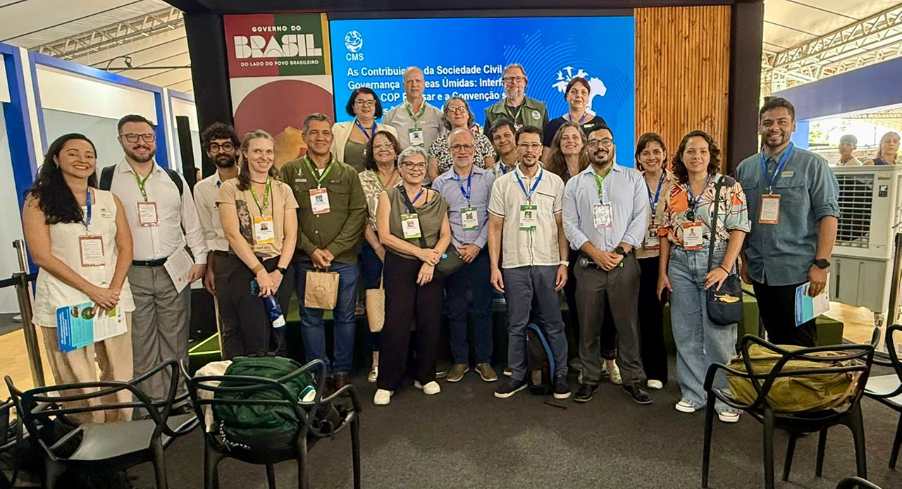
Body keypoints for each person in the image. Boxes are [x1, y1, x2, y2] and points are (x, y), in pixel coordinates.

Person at [24, 134, 135, 422]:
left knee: (118, 374)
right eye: (73, 153)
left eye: (89, 154)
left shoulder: (109, 200)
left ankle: (121, 439)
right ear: (56, 159)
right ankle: (87, 445)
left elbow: (125, 247)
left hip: (112, 299)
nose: (82, 160)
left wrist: (112, 289)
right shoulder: (39, 202)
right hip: (67, 302)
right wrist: (91, 290)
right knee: (79, 380)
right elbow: (42, 256)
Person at [105, 114, 206, 403]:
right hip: (129, 272)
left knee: (175, 338)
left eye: (147, 136)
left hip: (172, 268)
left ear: (155, 140)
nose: (141, 142)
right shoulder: (107, 178)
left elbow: (192, 221)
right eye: (132, 137)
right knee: (140, 341)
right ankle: (149, 404)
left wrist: (199, 258)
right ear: (121, 140)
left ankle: (179, 398)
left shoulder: (172, 179)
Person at [657, 130, 749, 423]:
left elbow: (740, 228)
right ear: (681, 157)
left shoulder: (728, 187)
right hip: (681, 264)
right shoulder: (674, 191)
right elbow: (664, 234)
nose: (696, 156)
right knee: (685, 332)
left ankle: (725, 398)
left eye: (702, 151)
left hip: (717, 260)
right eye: (690, 152)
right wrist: (662, 273)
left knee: (719, 333)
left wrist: (726, 267)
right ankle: (694, 393)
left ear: (711, 156)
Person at [736, 97, 839, 347]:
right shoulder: (745, 169)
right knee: (774, 339)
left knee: (800, 343)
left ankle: (801, 385)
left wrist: (821, 264)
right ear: (759, 127)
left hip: (800, 273)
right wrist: (745, 261)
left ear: (793, 125)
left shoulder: (813, 165)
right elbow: (739, 220)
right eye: (768, 123)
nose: (774, 128)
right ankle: (781, 386)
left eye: (782, 122)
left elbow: (828, 215)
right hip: (761, 271)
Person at [562, 125, 652, 405]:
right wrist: (594, 252)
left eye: (606, 141)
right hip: (589, 265)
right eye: (594, 142)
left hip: (623, 265)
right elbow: (569, 225)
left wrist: (621, 250)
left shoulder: (633, 178)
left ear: (614, 146)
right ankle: (589, 378)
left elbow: (641, 217)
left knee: (628, 325)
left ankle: (633, 379)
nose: (600, 146)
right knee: (588, 326)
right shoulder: (575, 184)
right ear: (586, 148)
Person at [281, 113, 366, 391]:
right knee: (311, 319)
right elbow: (286, 216)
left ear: (332, 137)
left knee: (345, 317)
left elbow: (358, 214)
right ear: (304, 137)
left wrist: (332, 249)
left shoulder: (347, 173)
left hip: (343, 260)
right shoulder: (290, 172)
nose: (320, 137)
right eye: (314, 132)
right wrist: (311, 249)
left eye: (326, 133)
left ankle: (341, 370)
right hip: (307, 261)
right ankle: (319, 370)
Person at [488, 126, 570, 400]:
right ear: (517, 148)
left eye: (535, 145)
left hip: (548, 263)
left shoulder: (555, 183)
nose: (530, 150)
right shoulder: (502, 184)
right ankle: (517, 374)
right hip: (514, 264)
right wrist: (494, 267)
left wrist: (563, 263)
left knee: (553, 322)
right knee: (516, 323)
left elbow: (561, 227)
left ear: (541, 149)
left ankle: (560, 374)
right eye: (524, 145)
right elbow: (495, 228)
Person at [374, 146, 452, 405]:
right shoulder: (388, 196)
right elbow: (384, 236)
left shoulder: (437, 198)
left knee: (430, 322)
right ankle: (387, 382)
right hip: (400, 264)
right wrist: (421, 255)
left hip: (431, 266)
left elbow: (446, 235)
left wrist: (432, 259)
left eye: (420, 165)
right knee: (396, 324)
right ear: (400, 168)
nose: (416, 169)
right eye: (409, 164)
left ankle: (426, 376)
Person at [546, 122, 620, 383]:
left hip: (603, 245)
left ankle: (609, 358)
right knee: (580, 307)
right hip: (571, 249)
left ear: (585, 143)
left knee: (608, 306)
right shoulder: (552, 174)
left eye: (575, 137)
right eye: (564, 137)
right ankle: (587, 359)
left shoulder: (602, 170)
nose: (570, 141)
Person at [216, 130, 298, 359]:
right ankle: (258, 387)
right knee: (255, 334)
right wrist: (260, 272)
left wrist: (279, 271)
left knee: (278, 330)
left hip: (279, 266)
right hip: (245, 267)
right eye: (258, 151)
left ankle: (281, 385)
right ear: (245, 154)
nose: (264, 156)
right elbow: (232, 234)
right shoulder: (230, 188)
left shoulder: (283, 189)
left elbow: (291, 235)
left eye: (269, 151)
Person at [432, 128, 497, 383]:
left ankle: (484, 360)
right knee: (455, 309)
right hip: (453, 251)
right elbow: (439, 220)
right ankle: (460, 361)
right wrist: (458, 246)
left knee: (484, 308)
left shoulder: (488, 178)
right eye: (456, 147)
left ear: (475, 149)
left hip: (480, 251)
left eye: (467, 146)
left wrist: (478, 245)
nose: (462, 151)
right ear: (449, 152)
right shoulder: (440, 183)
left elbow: (493, 217)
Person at [359, 130, 402, 382]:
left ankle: (403, 357)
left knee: (403, 304)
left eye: (388, 145)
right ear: (371, 152)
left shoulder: (408, 173)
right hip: (373, 247)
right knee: (376, 304)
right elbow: (360, 217)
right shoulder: (362, 178)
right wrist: (377, 247)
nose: (383, 149)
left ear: (397, 149)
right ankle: (376, 360)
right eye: (377, 146)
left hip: (405, 246)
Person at [634, 132, 675, 389]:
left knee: (668, 314)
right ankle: (654, 373)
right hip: (638, 256)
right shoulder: (631, 183)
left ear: (664, 155)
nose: (652, 157)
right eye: (646, 152)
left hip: (670, 257)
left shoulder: (677, 183)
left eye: (656, 152)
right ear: (638, 157)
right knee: (646, 315)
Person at [194, 123, 241, 343]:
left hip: (255, 257)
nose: (221, 151)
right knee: (230, 324)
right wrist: (209, 269)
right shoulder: (202, 188)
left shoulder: (254, 181)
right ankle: (235, 373)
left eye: (226, 146)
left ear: (237, 150)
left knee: (261, 320)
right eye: (215, 147)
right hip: (223, 260)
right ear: (208, 152)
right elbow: (208, 233)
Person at [331, 87, 399, 173]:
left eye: (370, 102)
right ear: (353, 107)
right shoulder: (339, 129)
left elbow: (396, 162)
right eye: (360, 102)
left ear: (375, 106)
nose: (365, 105)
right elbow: (331, 160)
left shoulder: (390, 131)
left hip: (381, 184)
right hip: (347, 184)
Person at [427, 97, 495, 181]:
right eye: (452, 109)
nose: (457, 112)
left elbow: (490, 169)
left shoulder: (482, 140)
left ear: (468, 114)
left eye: (462, 108)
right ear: (446, 116)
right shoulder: (437, 144)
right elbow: (433, 174)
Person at [541, 77, 608, 161]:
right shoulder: (553, 125)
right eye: (573, 91)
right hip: (561, 173)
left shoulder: (599, 123)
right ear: (566, 96)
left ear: (588, 98)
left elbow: (607, 153)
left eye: (583, 92)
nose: (579, 95)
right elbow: (545, 161)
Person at [383, 66, 443, 150]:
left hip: (430, 162)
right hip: (401, 162)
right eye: (409, 81)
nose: (414, 85)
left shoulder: (438, 115)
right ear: (403, 85)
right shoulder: (390, 116)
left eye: (418, 81)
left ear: (424, 84)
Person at [484, 64, 549, 135]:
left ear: (525, 83)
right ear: (503, 83)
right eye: (509, 79)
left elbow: (547, 142)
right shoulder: (492, 112)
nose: (514, 82)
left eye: (518, 78)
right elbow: (488, 143)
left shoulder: (539, 108)